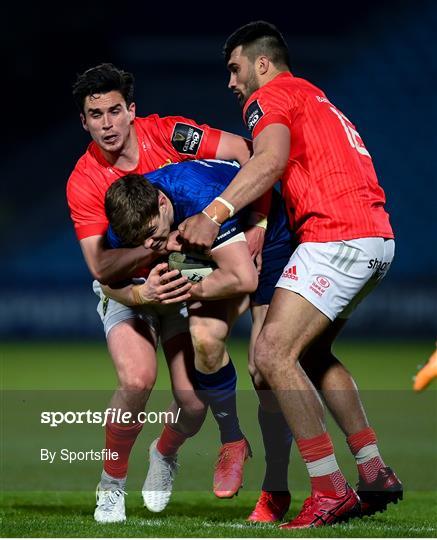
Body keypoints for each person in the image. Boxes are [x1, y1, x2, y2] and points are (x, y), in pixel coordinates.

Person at [178, 21, 403, 529]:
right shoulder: (316, 97)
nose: (231, 82)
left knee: (271, 354)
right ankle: (373, 471)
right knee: (311, 354)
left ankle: (329, 489)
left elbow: (271, 159)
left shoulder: (271, 96)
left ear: (262, 63)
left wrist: (213, 214)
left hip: (336, 235)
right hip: (373, 236)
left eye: (235, 69)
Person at [66, 63, 265, 523]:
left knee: (193, 404)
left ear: (132, 110)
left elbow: (245, 151)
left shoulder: (171, 135)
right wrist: (145, 283)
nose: (107, 124)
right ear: (84, 121)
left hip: (181, 277)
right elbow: (101, 266)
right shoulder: (84, 181)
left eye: (115, 111)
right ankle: (111, 484)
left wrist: (254, 220)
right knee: (137, 379)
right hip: (128, 290)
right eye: (95, 115)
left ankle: (164, 451)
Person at [103, 158, 295, 521]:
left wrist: (186, 287)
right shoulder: (129, 221)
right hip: (210, 250)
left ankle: (276, 486)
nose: (149, 245)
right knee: (205, 339)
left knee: (265, 371)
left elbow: (243, 279)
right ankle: (233, 440)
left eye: (153, 233)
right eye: (139, 240)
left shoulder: (197, 195)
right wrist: (144, 292)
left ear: (163, 204)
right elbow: (108, 279)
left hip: (267, 243)